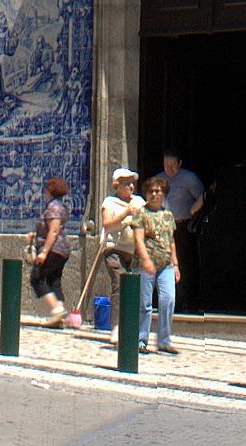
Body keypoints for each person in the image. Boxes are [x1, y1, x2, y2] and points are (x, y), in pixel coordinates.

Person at [99, 166, 149, 335]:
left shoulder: (139, 202)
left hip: (133, 253)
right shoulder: (109, 202)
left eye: (132, 183)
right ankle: (116, 328)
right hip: (114, 249)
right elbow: (107, 225)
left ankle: (131, 328)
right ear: (117, 185)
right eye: (126, 183)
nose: (131, 187)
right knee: (119, 285)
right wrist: (126, 213)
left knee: (134, 289)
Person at [137, 174, 180, 353]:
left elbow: (171, 241)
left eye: (159, 191)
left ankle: (164, 340)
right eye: (151, 191)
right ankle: (141, 339)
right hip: (146, 265)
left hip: (166, 265)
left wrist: (176, 264)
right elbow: (138, 239)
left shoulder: (168, 216)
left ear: (164, 194)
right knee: (145, 304)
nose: (155, 194)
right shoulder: (141, 213)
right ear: (146, 194)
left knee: (168, 299)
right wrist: (146, 260)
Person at [158, 151, 206, 312]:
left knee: (184, 265)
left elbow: (202, 197)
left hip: (182, 227)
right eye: (166, 165)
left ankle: (188, 303)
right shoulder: (159, 179)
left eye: (172, 165)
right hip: (164, 228)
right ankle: (169, 303)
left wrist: (194, 211)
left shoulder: (189, 178)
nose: (169, 169)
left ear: (179, 163)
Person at [28, 174, 71, 324]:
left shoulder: (53, 207)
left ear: (49, 191)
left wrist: (44, 252)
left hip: (53, 249)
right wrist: (35, 234)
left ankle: (56, 310)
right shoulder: (62, 206)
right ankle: (58, 316)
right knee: (54, 280)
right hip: (62, 249)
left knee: (37, 278)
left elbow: (53, 231)